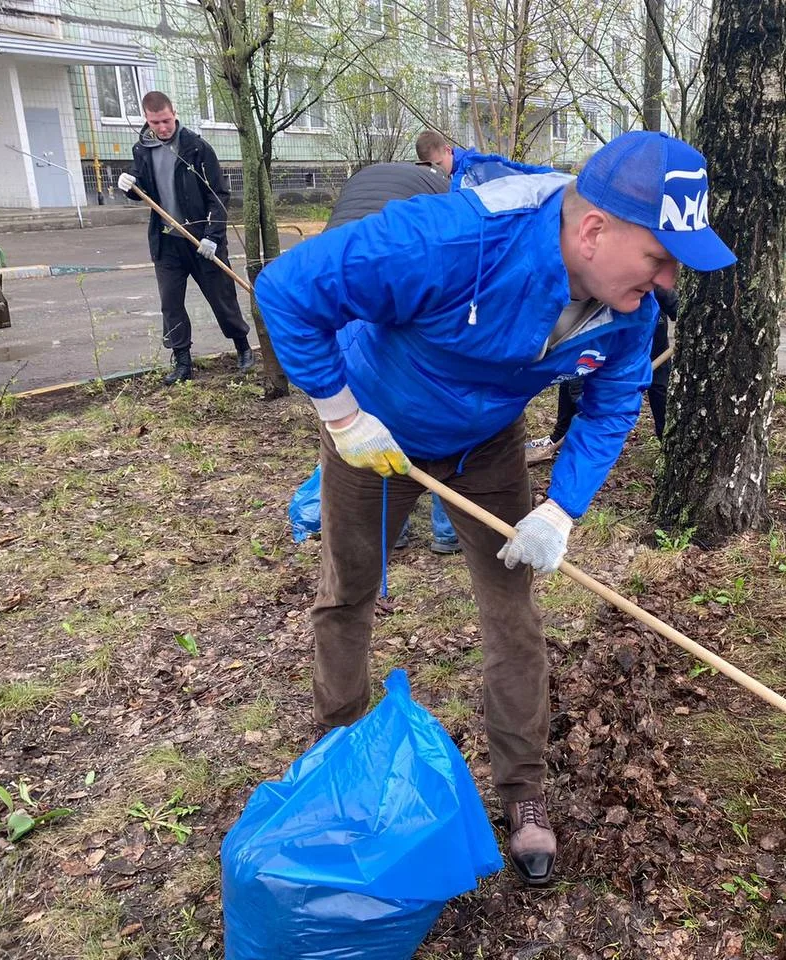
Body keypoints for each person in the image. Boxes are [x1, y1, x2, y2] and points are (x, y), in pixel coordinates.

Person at [254, 130, 736, 887]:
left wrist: (560, 511)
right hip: (375, 434)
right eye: (661, 257)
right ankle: (342, 759)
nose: (671, 279)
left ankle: (524, 792)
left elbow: (613, 403)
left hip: (487, 448)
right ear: (593, 229)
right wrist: (344, 418)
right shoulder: (449, 238)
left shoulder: (629, 308)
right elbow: (286, 289)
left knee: (514, 617)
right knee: (347, 593)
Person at [323, 159, 460, 555]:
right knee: (437, 405)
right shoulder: (442, 190)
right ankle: (446, 530)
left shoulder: (364, 179)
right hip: (399, 277)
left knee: (374, 404)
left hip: (339, 274)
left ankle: (393, 529)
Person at [117, 91, 254, 386]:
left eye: (166, 120)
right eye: (155, 122)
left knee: (222, 296)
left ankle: (243, 347)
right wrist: (128, 184)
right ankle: (182, 362)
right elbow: (139, 184)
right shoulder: (142, 150)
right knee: (171, 303)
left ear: (174, 113)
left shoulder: (196, 148)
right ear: (147, 120)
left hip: (201, 239)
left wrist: (213, 236)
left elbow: (219, 196)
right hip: (167, 242)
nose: (162, 127)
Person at [527, 285, 674, 464]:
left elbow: (670, 299)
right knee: (572, 380)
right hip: (603, 334)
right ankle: (561, 436)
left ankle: (667, 444)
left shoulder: (651, 284)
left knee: (659, 386)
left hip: (648, 335)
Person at [414, 130, 553, 191]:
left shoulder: (474, 167)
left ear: (448, 150)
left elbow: (515, 174)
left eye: (439, 164)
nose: (438, 170)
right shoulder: (446, 176)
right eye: (431, 167)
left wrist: (552, 178)